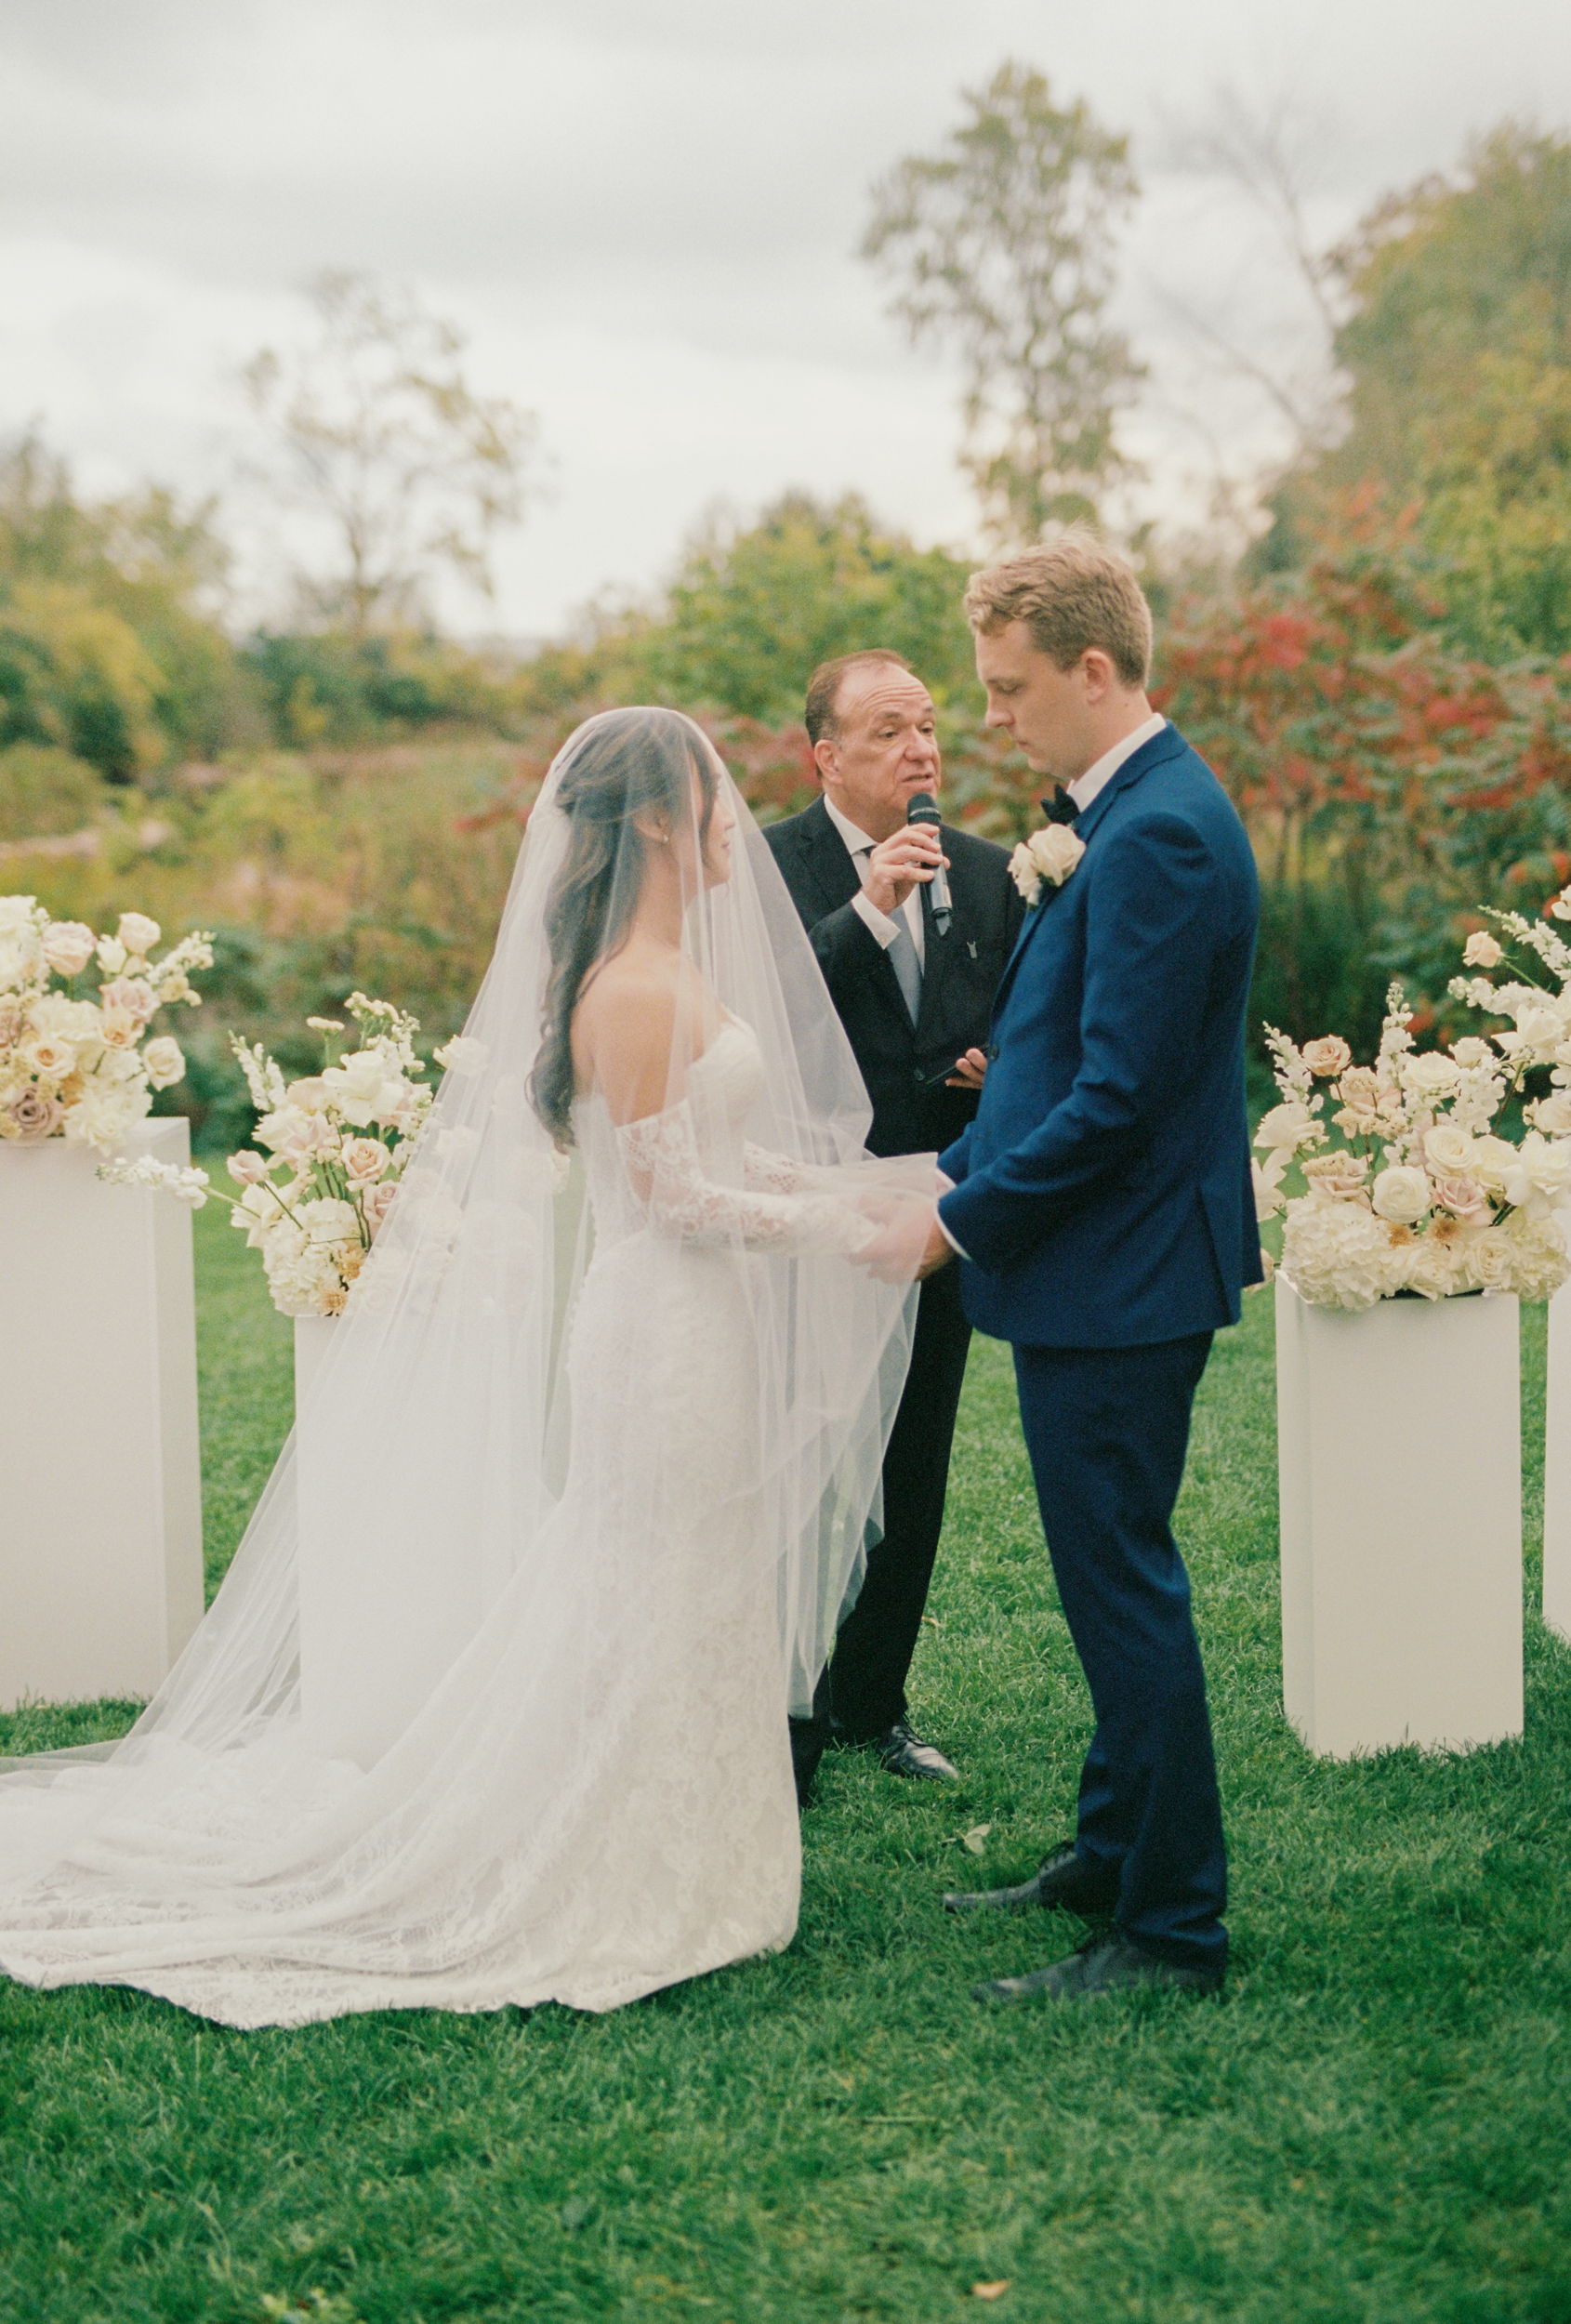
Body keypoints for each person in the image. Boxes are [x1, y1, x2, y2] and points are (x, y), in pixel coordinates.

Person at [0, 709, 934, 2028]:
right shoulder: (632, 984)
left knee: (691, 1577)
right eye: (712, 797)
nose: (735, 816)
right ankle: (617, 1863)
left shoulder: (678, 967)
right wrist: (847, 1227)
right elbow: (670, 1200)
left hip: (701, 1323)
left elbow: (722, 1157)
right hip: (663, 1330)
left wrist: (874, 1187)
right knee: (646, 1578)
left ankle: (699, 1851)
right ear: (658, 820)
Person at [864, 534, 1261, 2002]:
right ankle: (1107, 1853)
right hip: (1112, 1264)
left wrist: (956, 1221)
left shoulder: (1154, 830)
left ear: (1093, 669)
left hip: (1122, 1272)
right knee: (1112, 1574)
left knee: (1121, 1587)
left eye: (1009, 687)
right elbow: (1063, 1056)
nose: (989, 719)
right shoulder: (1123, 806)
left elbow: (1120, 1098)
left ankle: (1167, 1932)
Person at [765, 652, 1023, 1791]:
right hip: (804, 1207)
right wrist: (869, 910)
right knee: (796, 1464)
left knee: (911, 1467)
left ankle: (874, 1703)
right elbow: (757, 1016)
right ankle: (777, 1713)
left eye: (927, 726)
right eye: (887, 730)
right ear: (825, 754)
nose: (921, 749)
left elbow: (1021, 1010)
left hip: (934, 1212)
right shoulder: (766, 865)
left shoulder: (987, 869)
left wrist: (999, 1065)